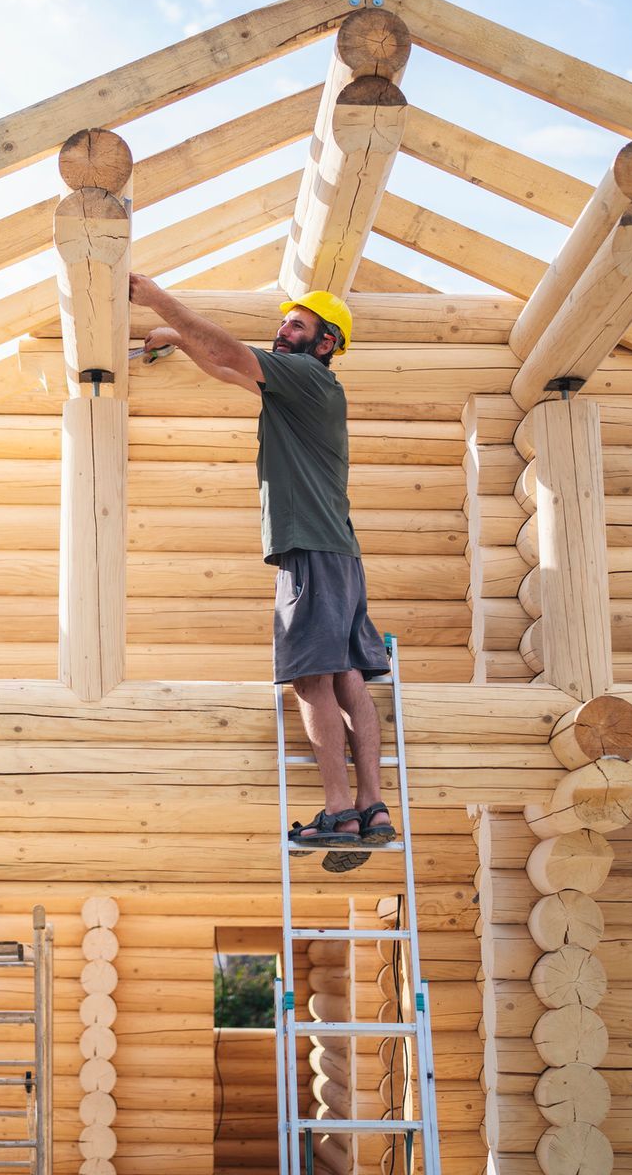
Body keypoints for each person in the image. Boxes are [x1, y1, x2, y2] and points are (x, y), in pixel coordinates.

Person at [127, 272, 394, 873]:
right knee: (349, 676)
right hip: (341, 556)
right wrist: (174, 334)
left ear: (326, 344)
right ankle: (372, 809)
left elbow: (226, 353)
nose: (284, 329)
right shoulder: (302, 389)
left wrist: (154, 298)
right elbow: (224, 368)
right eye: (285, 320)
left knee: (311, 682)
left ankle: (337, 810)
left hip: (308, 553)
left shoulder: (304, 377)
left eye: (298, 325)